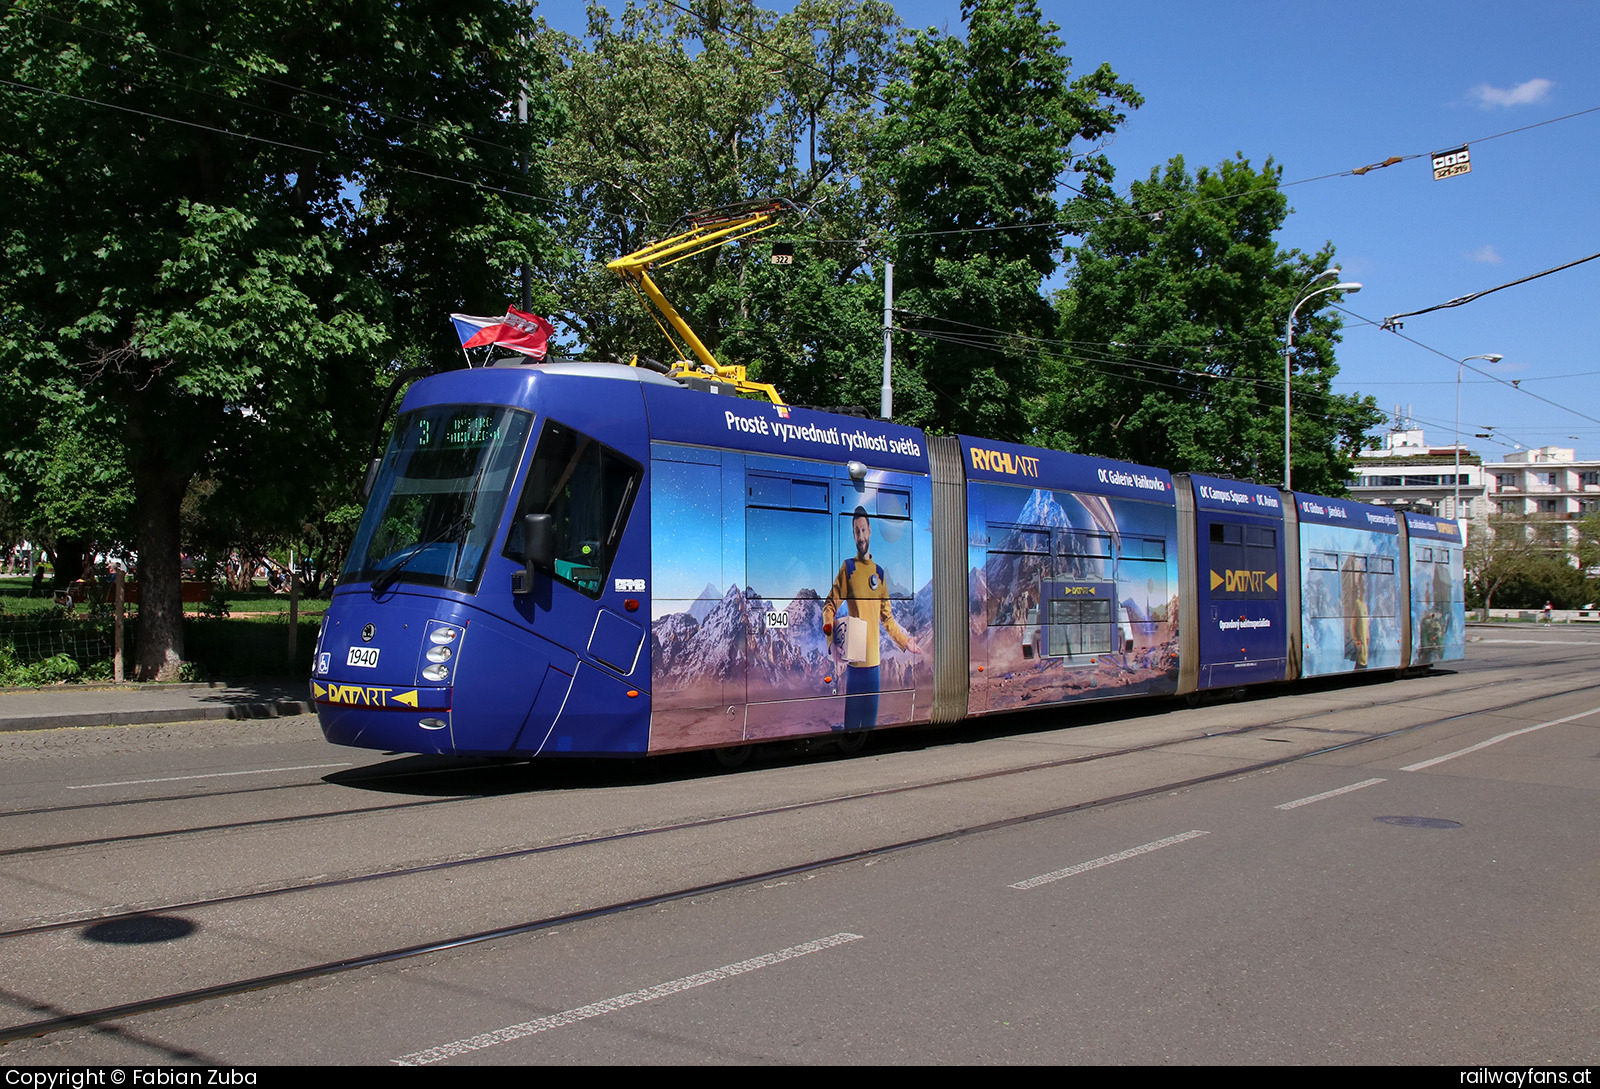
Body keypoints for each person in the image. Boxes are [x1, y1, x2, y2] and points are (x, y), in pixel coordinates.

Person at [822, 507, 923, 732]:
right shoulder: (848, 569)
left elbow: (887, 619)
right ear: (853, 535)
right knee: (851, 730)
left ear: (870, 532)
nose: (860, 536)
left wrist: (906, 641)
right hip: (855, 667)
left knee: (869, 728)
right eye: (856, 531)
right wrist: (832, 642)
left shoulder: (880, 574)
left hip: (874, 669)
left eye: (863, 530)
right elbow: (829, 606)